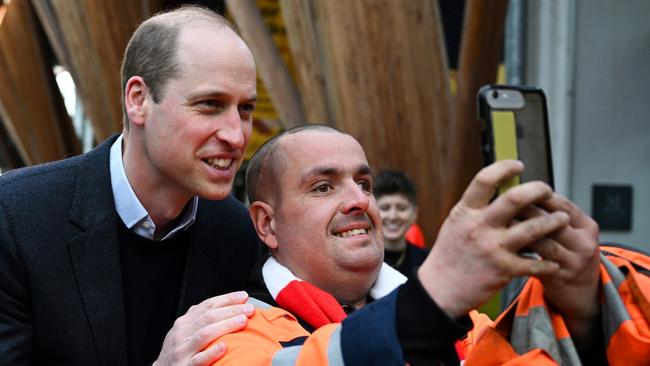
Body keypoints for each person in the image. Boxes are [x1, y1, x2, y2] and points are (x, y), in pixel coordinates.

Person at [207, 124, 650, 365]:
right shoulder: (227, 332)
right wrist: (429, 303)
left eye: (364, 183)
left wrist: (586, 315)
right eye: (323, 187)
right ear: (267, 224)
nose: (360, 200)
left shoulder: (468, 325)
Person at [0, 6, 263, 365]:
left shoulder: (239, 234)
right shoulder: (16, 217)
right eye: (210, 104)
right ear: (138, 100)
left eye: (245, 109)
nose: (236, 135)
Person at [373, 169, 428, 277]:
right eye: (385, 208)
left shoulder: (426, 262)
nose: (393, 216)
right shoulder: (362, 260)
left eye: (401, 208)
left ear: (414, 214)